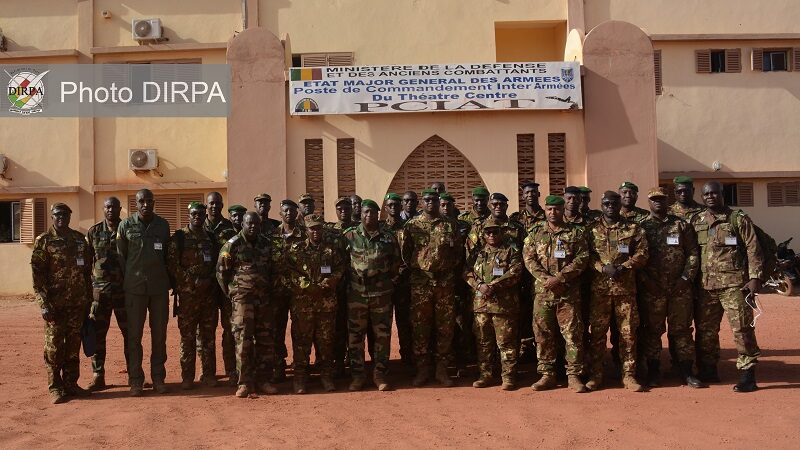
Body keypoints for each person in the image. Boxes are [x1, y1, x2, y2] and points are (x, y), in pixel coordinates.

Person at [691, 181, 763, 392]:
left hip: (735, 285)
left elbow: (753, 247)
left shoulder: (737, 218)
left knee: (741, 328)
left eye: (714, 193)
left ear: (722, 194)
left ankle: (748, 374)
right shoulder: (697, 220)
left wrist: (755, 277)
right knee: (706, 330)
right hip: (706, 286)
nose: (710, 197)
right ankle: (709, 369)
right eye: (706, 194)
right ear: (702, 197)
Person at [638, 187, 704, 389]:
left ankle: (686, 371)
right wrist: (646, 281)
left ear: (667, 201)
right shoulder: (641, 227)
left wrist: (686, 277)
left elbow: (693, 252)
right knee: (652, 332)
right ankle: (654, 371)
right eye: (654, 199)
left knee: (682, 331)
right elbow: (635, 258)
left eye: (661, 199)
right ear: (649, 202)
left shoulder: (681, 225)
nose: (658, 202)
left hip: (679, 289)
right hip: (653, 290)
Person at [523, 195, 589, 393]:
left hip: (567, 294)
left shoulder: (575, 233)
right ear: (545, 210)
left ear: (563, 211)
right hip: (543, 294)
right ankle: (547, 374)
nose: (553, 213)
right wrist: (546, 280)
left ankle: (574, 375)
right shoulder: (535, 233)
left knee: (572, 335)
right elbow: (529, 259)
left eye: (557, 209)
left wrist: (560, 278)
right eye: (550, 209)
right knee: (543, 335)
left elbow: (582, 258)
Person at [586, 191, 648, 392]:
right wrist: (601, 268)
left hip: (625, 290)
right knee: (597, 334)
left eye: (614, 203)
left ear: (619, 204)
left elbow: (643, 253)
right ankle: (596, 374)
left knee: (628, 334)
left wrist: (624, 266)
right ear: (601, 205)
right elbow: (585, 255)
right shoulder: (591, 229)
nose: (610, 206)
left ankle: (628, 375)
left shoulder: (632, 228)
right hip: (600, 291)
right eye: (606, 203)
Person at [31, 203, 93, 404]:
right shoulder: (44, 241)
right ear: (52, 216)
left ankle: (71, 384)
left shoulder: (78, 240)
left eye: (65, 214)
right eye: (58, 214)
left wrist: (88, 300)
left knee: (73, 345)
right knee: (54, 347)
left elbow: (86, 273)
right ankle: (55, 387)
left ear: (70, 216)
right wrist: (44, 304)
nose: (61, 217)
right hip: (55, 305)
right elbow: (37, 277)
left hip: (77, 303)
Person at [400, 189, 461, 387]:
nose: (431, 203)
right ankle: (423, 370)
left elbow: (458, 253)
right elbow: (405, 254)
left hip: (444, 284)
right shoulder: (412, 225)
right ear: (422, 203)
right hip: (421, 284)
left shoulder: (450, 225)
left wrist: (446, 269)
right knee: (421, 327)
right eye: (427, 200)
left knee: (445, 328)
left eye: (434, 200)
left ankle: (442, 370)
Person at [217, 212, 279, 398]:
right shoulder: (232, 245)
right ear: (242, 224)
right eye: (249, 223)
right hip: (242, 301)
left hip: (263, 300)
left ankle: (264, 380)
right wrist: (233, 294)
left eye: (256, 224)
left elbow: (274, 270)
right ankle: (244, 382)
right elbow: (221, 273)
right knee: (243, 341)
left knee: (265, 340)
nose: (253, 226)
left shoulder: (266, 244)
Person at [117, 189, 172, 396]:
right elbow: (122, 257)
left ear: (154, 202)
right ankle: (136, 380)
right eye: (142, 201)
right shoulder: (125, 226)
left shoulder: (163, 226)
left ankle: (158, 378)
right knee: (134, 337)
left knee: (159, 336)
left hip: (158, 289)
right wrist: (132, 277)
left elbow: (167, 255)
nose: (146, 204)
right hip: (135, 289)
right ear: (136, 203)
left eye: (149, 201)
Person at [343, 200, 400, 391]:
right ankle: (358, 376)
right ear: (361, 214)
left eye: (373, 213)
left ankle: (380, 374)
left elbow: (398, 264)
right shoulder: (349, 236)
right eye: (366, 212)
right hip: (356, 295)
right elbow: (341, 263)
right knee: (355, 337)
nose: (370, 216)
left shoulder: (388, 238)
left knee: (382, 336)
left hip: (381, 296)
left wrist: (389, 281)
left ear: (378, 215)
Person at [285, 215, 345, 393]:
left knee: (326, 342)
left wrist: (331, 281)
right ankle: (300, 379)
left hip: (326, 305)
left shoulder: (330, 250)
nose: (316, 232)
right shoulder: (296, 250)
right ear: (306, 230)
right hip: (303, 305)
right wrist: (306, 285)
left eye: (318, 228)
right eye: (312, 228)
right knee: (302, 343)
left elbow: (341, 268)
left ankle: (326, 376)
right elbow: (288, 272)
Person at [464, 218, 523, 390]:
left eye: (495, 231)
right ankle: (486, 375)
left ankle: (508, 376)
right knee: (483, 342)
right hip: (481, 305)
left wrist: (493, 286)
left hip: (503, 306)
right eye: (488, 232)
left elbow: (516, 272)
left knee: (506, 342)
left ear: (501, 232)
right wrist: (479, 286)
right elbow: (466, 271)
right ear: (483, 234)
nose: (491, 235)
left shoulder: (511, 250)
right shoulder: (477, 252)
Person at [168, 202, 219, 390]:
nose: (198, 216)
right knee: (187, 338)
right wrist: (191, 282)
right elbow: (173, 265)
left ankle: (209, 374)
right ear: (188, 215)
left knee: (208, 337)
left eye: (201, 213)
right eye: (194, 213)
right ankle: (187, 376)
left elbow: (217, 265)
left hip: (208, 297)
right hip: (188, 297)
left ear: (205, 215)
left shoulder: (211, 238)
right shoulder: (179, 238)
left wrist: (209, 280)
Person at [85, 196, 129, 392]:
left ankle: (134, 374)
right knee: (97, 336)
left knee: (130, 335)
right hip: (100, 295)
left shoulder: (127, 230)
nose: (111, 210)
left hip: (124, 293)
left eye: (114, 206)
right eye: (107, 206)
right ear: (103, 209)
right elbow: (86, 263)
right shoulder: (94, 232)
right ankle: (98, 376)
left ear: (120, 209)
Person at [271, 199, 307, 383]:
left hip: (299, 292)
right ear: (280, 213)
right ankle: (278, 367)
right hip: (277, 293)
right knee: (276, 330)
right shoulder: (271, 236)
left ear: (297, 214)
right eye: (285, 211)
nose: (289, 214)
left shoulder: (305, 235)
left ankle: (300, 367)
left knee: (300, 331)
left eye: (292, 211)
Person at [204, 192, 237, 385]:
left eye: (217, 203)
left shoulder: (229, 229)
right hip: (205, 289)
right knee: (206, 331)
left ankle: (231, 369)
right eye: (211, 204)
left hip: (225, 287)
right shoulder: (199, 226)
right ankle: (208, 372)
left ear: (222, 205)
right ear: (206, 205)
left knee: (230, 329)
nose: (214, 207)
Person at [442, 192, 475, 375]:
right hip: (441, 284)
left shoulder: (464, 226)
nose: (446, 208)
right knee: (444, 324)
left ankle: (463, 361)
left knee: (463, 323)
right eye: (443, 205)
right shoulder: (432, 227)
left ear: (454, 206)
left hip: (461, 282)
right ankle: (445, 363)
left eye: (449, 205)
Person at [381, 193, 413, 367]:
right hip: (383, 286)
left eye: (396, 205)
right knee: (382, 326)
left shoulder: (407, 228)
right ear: (386, 207)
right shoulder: (379, 229)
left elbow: (409, 257)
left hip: (402, 284)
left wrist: (397, 276)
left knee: (405, 324)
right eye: (390, 205)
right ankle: (382, 363)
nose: (393, 207)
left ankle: (407, 360)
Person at [327, 196, 357, 377]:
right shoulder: (330, 231)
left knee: (355, 325)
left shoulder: (359, 230)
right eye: (340, 208)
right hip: (337, 286)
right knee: (337, 325)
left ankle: (355, 362)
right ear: (336, 211)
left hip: (356, 285)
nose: (344, 210)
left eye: (347, 208)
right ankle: (338, 362)